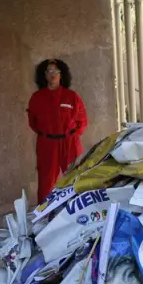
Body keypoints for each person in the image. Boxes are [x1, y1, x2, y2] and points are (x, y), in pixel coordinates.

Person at [28, 59, 88, 205]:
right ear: (44, 75)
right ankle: (44, 216)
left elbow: (82, 121)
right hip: (47, 144)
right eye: (49, 71)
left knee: (75, 179)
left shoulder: (72, 97)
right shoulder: (37, 98)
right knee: (45, 182)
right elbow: (33, 122)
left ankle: (76, 212)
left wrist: (70, 136)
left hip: (69, 143)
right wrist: (48, 134)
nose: (52, 74)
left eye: (56, 71)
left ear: (62, 75)